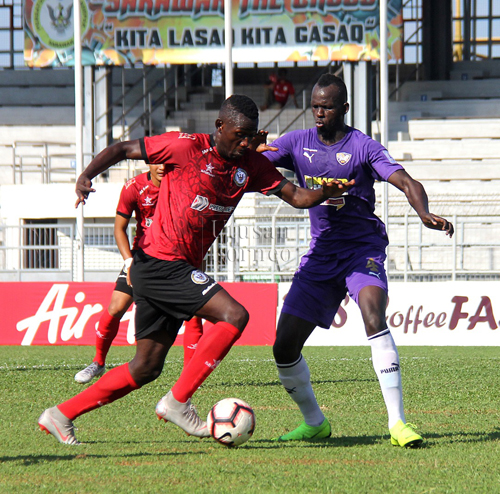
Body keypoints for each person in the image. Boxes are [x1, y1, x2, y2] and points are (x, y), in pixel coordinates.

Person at [38, 94, 354, 445]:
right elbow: (123, 148)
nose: (247, 142)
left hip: (171, 268)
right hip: (159, 263)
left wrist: (324, 190)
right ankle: (177, 401)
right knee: (235, 315)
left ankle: (60, 414)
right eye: (240, 134)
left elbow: (297, 196)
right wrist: (85, 176)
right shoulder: (184, 147)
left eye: (252, 135)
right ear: (220, 127)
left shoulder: (249, 164)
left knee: (145, 367)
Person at [261, 74, 454, 447]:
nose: (319, 113)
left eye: (327, 107)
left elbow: (407, 182)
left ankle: (398, 424)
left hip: (361, 250)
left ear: (344, 108)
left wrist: (424, 213)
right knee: (284, 346)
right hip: (321, 254)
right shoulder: (297, 142)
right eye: (315, 106)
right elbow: (258, 160)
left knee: (372, 315)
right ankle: (315, 422)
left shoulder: (363, 147)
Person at [74, 164, 163, 384]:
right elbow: (119, 228)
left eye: (166, 161)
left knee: (192, 315)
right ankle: (98, 362)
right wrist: (129, 262)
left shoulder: (181, 184)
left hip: (175, 257)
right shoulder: (134, 187)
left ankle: (192, 375)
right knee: (115, 308)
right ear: (148, 162)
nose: (162, 166)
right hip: (142, 257)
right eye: (156, 161)